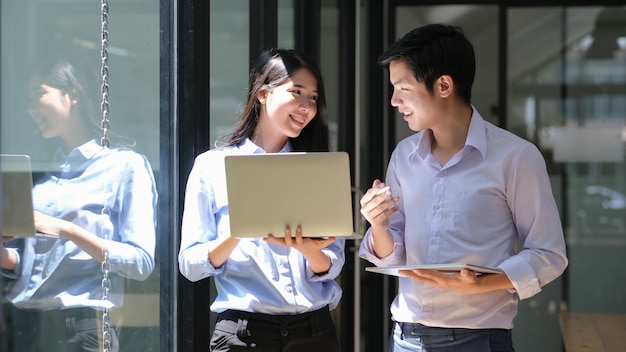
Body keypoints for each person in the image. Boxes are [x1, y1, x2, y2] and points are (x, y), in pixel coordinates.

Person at [358, 24, 568, 352]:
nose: (394, 101)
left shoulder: (516, 157)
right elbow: (393, 255)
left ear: (443, 85)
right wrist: (380, 226)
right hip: (404, 339)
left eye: (403, 88)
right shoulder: (403, 157)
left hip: (477, 341)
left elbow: (549, 254)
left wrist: (484, 284)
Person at [178, 48, 344, 352]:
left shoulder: (318, 169)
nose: (306, 106)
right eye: (297, 92)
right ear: (263, 93)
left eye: (314, 98)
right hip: (243, 334)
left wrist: (307, 248)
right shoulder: (213, 166)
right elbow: (190, 265)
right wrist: (241, 228)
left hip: (315, 332)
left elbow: (332, 264)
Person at [0, 58, 158, 352]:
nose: (30, 107)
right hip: (24, 325)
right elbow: (31, 265)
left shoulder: (124, 165)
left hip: (83, 326)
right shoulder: (44, 175)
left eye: (38, 94)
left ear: (72, 93)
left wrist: (66, 229)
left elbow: (141, 262)